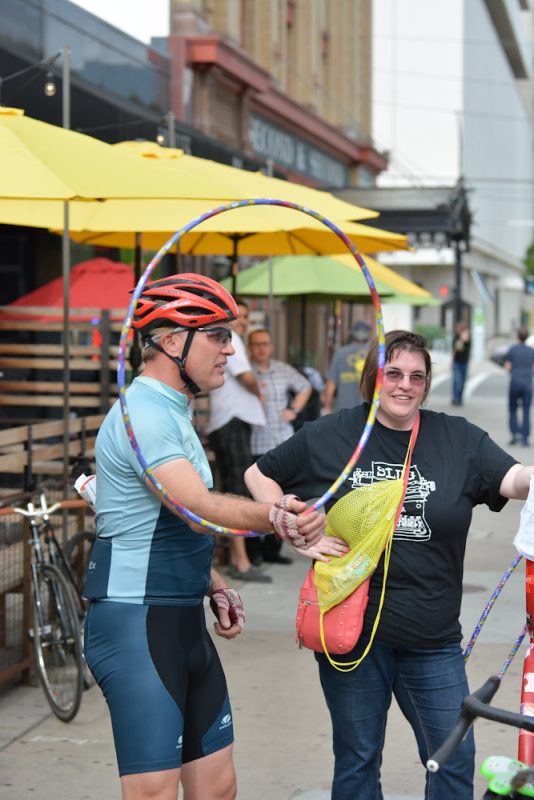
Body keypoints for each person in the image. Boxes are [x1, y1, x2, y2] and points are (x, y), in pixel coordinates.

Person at [245, 329, 534, 800]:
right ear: (373, 378)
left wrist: (533, 477)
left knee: (453, 758)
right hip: (350, 634)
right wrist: (290, 527)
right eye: (393, 373)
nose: (405, 385)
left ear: (427, 383)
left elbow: (515, 478)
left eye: (417, 377)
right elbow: (258, 474)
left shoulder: (458, 438)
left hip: (432, 639)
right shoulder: (332, 434)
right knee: (357, 761)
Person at [83, 274, 327, 800]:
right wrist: (276, 516)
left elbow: (159, 521)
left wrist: (212, 581)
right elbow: (195, 507)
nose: (230, 349)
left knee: (217, 788)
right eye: (218, 335)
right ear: (172, 342)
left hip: (180, 619)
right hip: (136, 622)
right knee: (153, 792)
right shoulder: (143, 413)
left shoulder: (172, 409)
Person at [207, 300, 271, 582]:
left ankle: (236, 558)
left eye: (246, 316)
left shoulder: (231, 340)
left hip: (232, 421)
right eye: (239, 316)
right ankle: (240, 561)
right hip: (230, 421)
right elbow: (246, 378)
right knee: (236, 489)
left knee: (236, 487)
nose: (243, 321)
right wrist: (260, 393)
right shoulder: (231, 340)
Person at [247, 327, 312, 565]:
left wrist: (294, 409)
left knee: (281, 496)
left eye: (265, 344)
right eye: (256, 344)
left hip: (281, 442)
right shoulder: (246, 374)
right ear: (249, 348)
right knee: (256, 499)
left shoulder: (283, 369)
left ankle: (273, 549)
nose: (261, 348)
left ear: (272, 347)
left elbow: (305, 387)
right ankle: (255, 550)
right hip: (255, 441)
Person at [323, 320, 371, 414]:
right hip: (369, 411)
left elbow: (331, 384)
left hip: (344, 411)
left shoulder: (340, 353)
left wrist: (327, 407)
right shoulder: (375, 353)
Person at [504, 325, 534, 446]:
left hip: (515, 382)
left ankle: (514, 434)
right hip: (527, 384)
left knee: (512, 408)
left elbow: (507, 367)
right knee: (526, 410)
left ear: (518, 336)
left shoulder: (513, 350)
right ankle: (524, 438)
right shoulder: (531, 351)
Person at [451, 321, 471, 406]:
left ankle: (460, 398)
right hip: (457, 362)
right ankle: (455, 398)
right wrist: (452, 362)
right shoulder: (456, 338)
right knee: (457, 380)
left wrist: (464, 336)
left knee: (462, 382)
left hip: (465, 362)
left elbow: (467, 342)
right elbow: (454, 350)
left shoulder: (468, 338)